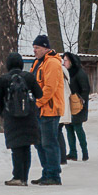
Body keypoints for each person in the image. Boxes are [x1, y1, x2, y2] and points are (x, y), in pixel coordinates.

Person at [0, 53, 43, 186]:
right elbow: (39, 94)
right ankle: (24, 177)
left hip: (12, 117)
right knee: (26, 147)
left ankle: (17, 177)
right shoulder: (29, 77)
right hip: (29, 116)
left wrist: (4, 113)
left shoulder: (4, 79)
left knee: (16, 148)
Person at [30, 33, 65, 185]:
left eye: (37, 47)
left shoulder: (52, 63)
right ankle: (46, 172)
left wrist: (37, 102)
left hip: (49, 109)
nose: (34, 50)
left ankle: (54, 174)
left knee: (49, 143)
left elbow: (49, 88)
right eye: (34, 48)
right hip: (40, 109)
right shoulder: (38, 62)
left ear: (45, 48)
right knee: (39, 143)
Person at [63, 53, 90, 161]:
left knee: (78, 128)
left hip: (78, 104)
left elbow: (86, 89)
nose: (64, 63)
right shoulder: (67, 73)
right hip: (68, 104)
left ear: (71, 61)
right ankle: (73, 152)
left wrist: (81, 102)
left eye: (66, 60)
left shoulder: (79, 73)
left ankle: (85, 152)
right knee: (69, 128)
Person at [58, 55, 71, 165]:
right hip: (64, 106)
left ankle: (61, 157)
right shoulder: (65, 71)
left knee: (57, 132)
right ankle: (62, 156)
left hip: (60, 106)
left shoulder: (58, 71)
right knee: (59, 132)